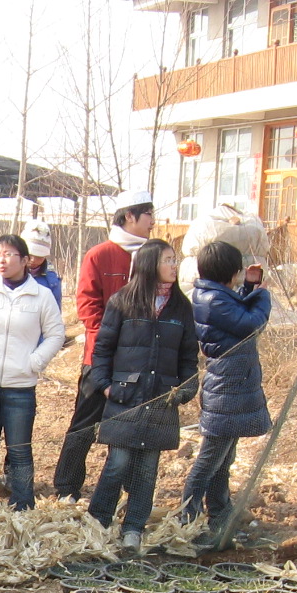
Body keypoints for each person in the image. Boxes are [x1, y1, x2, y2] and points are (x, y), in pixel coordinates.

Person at [85, 237, 199, 558]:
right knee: (117, 463)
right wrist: (106, 385)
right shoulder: (123, 301)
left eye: (174, 260)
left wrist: (188, 387)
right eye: (167, 260)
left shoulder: (181, 307)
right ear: (150, 264)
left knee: (148, 469)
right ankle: (99, 523)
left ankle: (134, 529)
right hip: (124, 397)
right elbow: (102, 349)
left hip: (162, 401)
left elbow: (190, 356)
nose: (173, 266)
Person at [53, 189, 155, 500]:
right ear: (129, 216)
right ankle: (66, 488)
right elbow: (87, 305)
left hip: (139, 360)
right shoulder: (99, 255)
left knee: (133, 427)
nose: (153, 221)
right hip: (99, 357)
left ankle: (126, 491)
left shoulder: (153, 256)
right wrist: (107, 343)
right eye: (149, 214)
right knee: (85, 421)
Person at [0, 234, 65, 511]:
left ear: (25, 260)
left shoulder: (40, 295)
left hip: (21, 387)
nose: (1, 260)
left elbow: (56, 334)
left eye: (8, 254)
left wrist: (35, 362)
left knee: (19, 449)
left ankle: (22, 504)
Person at [181, 240, 272, 551]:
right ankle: (186, 522)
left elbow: (237, 312)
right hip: (225, 389)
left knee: (224, 458)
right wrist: (262, 296)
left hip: (231, 386)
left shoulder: (216, 295)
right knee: (210, 460)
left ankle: (220, 516)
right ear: (230, 273)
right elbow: (248, 323)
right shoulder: (211, 300)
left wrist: (248, 288)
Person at [0, 219, 62, 305]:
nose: (33, 260)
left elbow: (54, 312)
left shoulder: (51, 280)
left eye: (39, 256)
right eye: (30, 255)